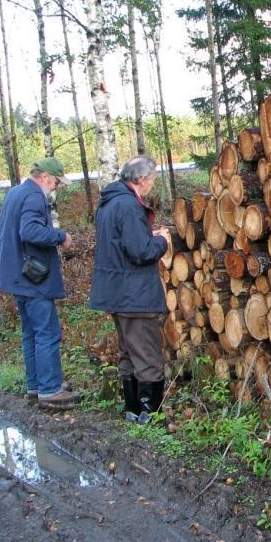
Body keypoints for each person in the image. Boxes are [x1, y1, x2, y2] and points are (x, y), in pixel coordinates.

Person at [0, 157, 81, 410]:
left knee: (30, 332)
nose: (56, 187)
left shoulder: (15, 193)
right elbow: (29, 231)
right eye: (55, 182)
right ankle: (50, 389)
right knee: (47, 332)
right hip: (33, 279)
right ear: (44, 177)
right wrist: (60, 236)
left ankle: (36, 386)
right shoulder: (33, 196)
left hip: (16, 276)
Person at [89, 155, 170, 423]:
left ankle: (133, 410)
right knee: (146, 352)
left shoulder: (108, 203)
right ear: (142, 179)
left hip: (116, 292)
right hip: (134, 294)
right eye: (153, 180)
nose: (152, 185)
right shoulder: (128, 206)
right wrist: (162, 242)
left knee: (128, 351)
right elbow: (139, 251)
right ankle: (149, 414)